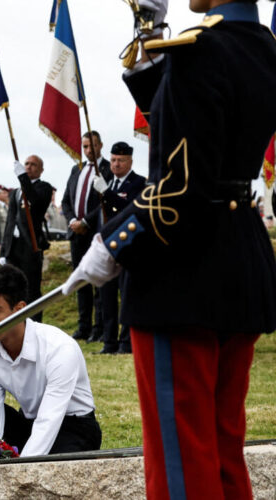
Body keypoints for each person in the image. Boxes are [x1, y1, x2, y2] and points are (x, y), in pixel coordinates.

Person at [64, 1, 276, 498]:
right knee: (223, 443)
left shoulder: (199, 50)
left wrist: (113, 242)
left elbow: (181, 186)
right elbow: (201, 127)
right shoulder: (263, 47)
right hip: (238, 253)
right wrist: (150, 44)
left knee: (181, 451)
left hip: (181, 269)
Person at [0, 265, 101, 457]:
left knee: (52, 471)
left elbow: (49, 419)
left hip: (73, 425)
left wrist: (22, 467)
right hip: (28, 422)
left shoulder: (59, 347)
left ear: (19, 310)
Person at [93, 141, 145, 355]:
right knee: (106, 297)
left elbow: (129, 210)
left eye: (121, 160)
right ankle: (109, 341)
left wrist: (106, 193)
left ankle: (125, 343)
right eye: (113, 160)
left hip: (127, 245)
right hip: (107, 247)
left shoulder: (138, 183)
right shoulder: (107, 183)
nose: (115, 164)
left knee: (125, 295)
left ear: (130, 161)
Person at [61, 131, 112, 342]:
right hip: (76, 234)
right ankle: (84, 327)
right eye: (84, 147)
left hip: (95, 232)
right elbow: (66, 200)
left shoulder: (108, 169)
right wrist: (73, 220)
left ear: (100, 145)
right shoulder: (77, 169)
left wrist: (86, 222)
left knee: (98, 281)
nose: (88, 151)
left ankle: (100, 328)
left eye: (92, 146)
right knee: (80, 281)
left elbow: (106, 201)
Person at [0, 155, 53, 321]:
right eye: (26, 164)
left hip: (30, 245)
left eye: (33, 165)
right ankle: (13, 322)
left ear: (41, 170)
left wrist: (22, 177)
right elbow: (10, 222)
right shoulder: (15, 192)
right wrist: (3, 251)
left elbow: (34, 201)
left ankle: (33, 322)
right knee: (10, 288)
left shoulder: (44, 187)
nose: (28, 167)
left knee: (31, 288)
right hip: (13, 246)